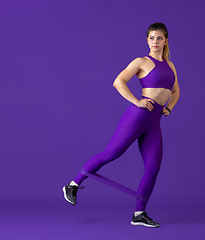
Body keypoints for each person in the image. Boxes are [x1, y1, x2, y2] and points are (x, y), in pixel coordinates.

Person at [63, 22, 180, 228]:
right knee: (111, 154)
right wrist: (137, 101)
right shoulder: (142, 61)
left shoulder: (170, 66)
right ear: (147, 40)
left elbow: (176, 91)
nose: (155, 42)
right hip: (138, 115)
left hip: (154, 122)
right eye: (151, 38)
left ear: (166, 41)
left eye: (159, 38)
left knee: (153, 168)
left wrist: (168, 107)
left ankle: (139, 213)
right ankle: (72, 185)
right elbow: (118, 81)